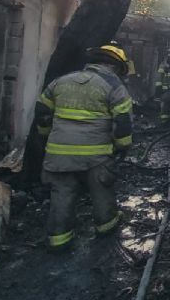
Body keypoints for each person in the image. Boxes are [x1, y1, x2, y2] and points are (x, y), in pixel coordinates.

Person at [34, 44, 133, 251]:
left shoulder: (61, 81)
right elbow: (123, 123)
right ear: (115, 66)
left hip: (59, 154)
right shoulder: (114, 86)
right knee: (102, 191)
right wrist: (122, 147)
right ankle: (106, 227)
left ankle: (59, 240)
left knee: (61, 195)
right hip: (96, 156)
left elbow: (42, 112)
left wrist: (45, 137)